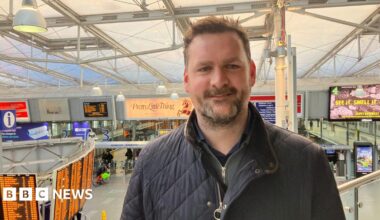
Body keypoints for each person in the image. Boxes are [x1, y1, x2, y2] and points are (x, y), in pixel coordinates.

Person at [121, 16, 345, 220]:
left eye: (232, 66)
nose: (219, 81)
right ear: (187, 80)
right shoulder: (151, 162)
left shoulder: (307, 160)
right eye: (205, 68)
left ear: (251, 74)